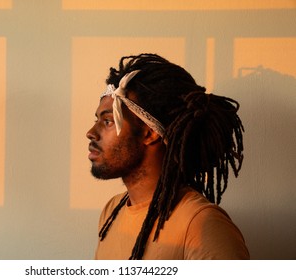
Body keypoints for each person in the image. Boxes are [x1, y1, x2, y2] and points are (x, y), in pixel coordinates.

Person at [86, 53, 249, 260]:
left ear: (149, 132)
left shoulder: (201, 225)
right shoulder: (111, 212)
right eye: (97, 119)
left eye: (108, 121)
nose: (91, 132)